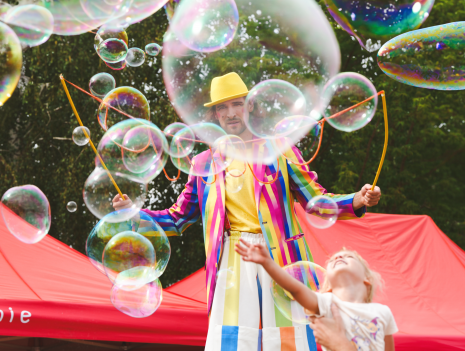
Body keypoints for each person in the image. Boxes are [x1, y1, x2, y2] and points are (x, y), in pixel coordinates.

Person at [113, 72, 382, 351]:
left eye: (237, 104)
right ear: (215, 114)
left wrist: (358, 200)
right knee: (232, 340)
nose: (230, 113)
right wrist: (135, 215)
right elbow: (178, 217)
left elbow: (316, 200)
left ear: (250, 106)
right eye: (222, 107)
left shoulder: (278, 149)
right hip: (233, 255)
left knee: (292, 337)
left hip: (282, 255)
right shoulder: (205, 162)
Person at [235, 243, 397, 351]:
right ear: (328, 287)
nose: (339, 257)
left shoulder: (383, 311)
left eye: (348, 257)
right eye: (333, 260)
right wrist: (267, 263)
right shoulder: (327, 303)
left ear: (366, 279)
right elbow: (296, 289)